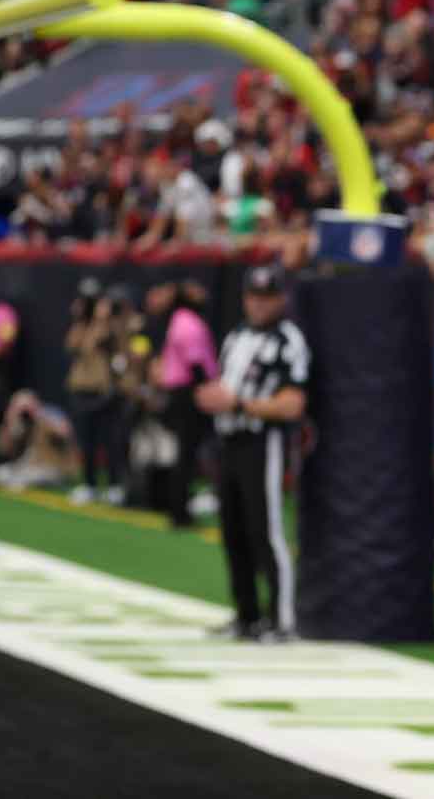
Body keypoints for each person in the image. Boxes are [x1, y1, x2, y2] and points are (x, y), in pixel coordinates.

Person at [193, 265, 310, 642]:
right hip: (228, 441)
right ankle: (247, 615)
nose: (259, 304)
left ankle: (282, 619)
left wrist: (240, 405)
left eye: (267, 297)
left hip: (263, 440)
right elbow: (227, 385)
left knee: (266, 531)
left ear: (281, 299)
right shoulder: (237, 336)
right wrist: (213, 398)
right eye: (254, 296)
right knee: (233, 531)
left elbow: (293, 403)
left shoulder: (287, 340)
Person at [148, 280, 218, 527]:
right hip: (189, 392)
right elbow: (195, 361)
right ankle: (179, 511)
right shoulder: (187, 321)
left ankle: (181, 507)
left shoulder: (180, 320)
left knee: (187, 453)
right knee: (186, 453)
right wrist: (206, 389)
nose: (202, 293)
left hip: (185, 390)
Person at [64, 278, 124, 505]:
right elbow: (72, 345)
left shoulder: (107, 325)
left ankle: (114, 485)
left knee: (109, 441)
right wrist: (80, 318)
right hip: (81, 388)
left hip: (102, 390)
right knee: (86, 441)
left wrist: (101, 318)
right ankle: (89, 484)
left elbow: (107, 339)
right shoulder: (80, 326)